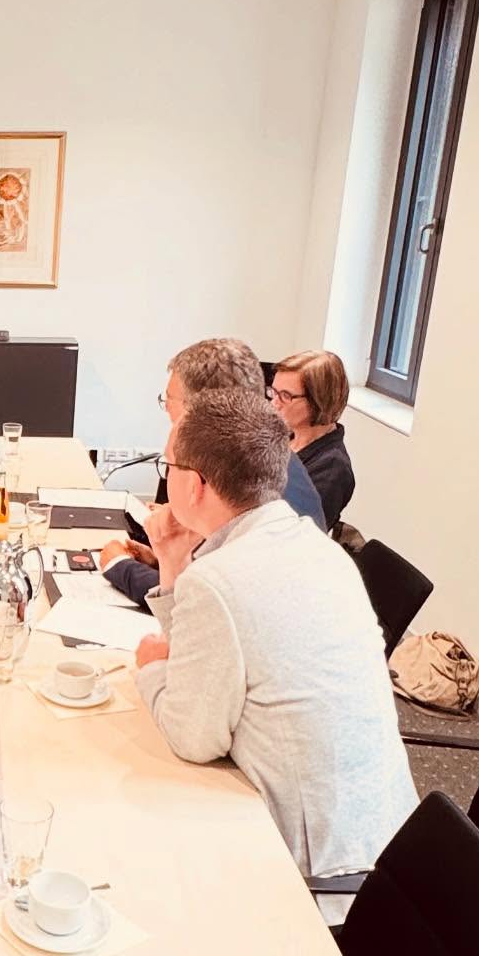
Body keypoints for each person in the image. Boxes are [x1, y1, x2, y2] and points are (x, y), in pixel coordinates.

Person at [132, 391, 416, 891]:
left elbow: (192, 737)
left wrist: (152, 667)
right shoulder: (319, 549)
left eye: (168, 465)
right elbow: (207, 658)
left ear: (195, 485)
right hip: (391, 848)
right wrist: (173, 562)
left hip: (318, 876)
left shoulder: (220, 580)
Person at [100, 337, 326, 608]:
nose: (167, 408)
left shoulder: (244, 480)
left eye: (170, 399)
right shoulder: (264, 456)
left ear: (203, 409)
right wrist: (164, 557)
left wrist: (121, 567)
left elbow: (204, 601)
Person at [270, 349, 356, 531]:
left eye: (285, 396)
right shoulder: (285, 435)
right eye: (273, 392)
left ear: (319, 400)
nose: (274, 403)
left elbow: (294, 534)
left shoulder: (332, 471)